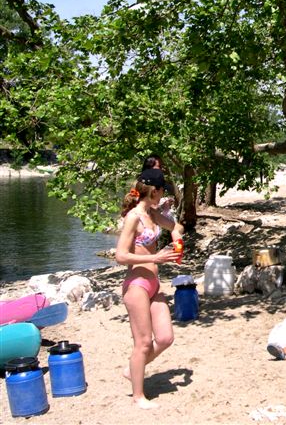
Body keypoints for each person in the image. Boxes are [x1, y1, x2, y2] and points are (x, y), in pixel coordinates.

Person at [115, 168, 183, 409]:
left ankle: (133, 368)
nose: (165, 194)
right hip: (137, 285)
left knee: (165, 338)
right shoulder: (133, 217)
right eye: (163, 190)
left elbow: (176, 226)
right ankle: (138, 396)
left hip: (154, 284)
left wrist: (177, 242)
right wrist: (155, 258)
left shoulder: (152, 214)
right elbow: (121, 256)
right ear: (155, 191)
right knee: (143, 343)